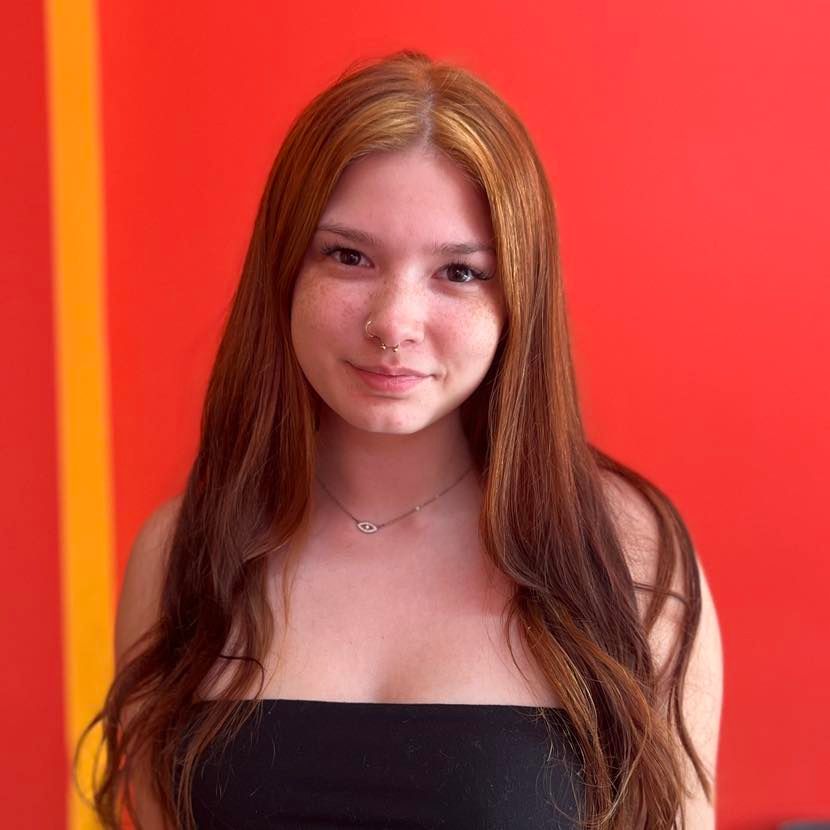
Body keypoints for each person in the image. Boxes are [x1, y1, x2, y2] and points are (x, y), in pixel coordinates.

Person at [75, 49, 723, 829]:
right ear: (284, 270)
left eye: (458, 273)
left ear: (518, 297)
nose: (393, 323)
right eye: (349, 257)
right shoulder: (183, 550)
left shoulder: (626, 554)